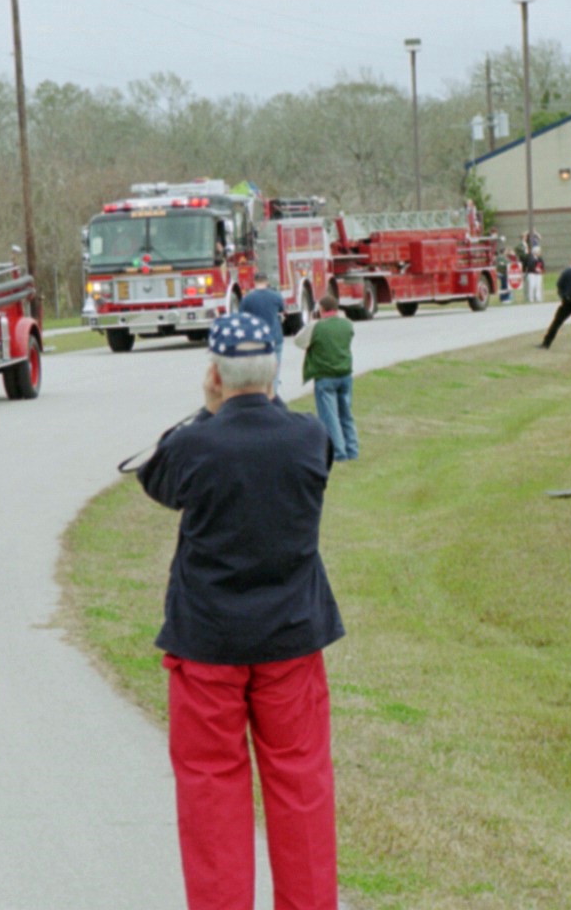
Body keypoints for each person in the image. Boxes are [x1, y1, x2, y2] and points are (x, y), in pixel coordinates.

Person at [137, 311, 343, 910]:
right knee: (300, 789)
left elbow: (156, 478)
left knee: (212, 796)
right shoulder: (309, 437)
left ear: (216, 374)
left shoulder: (195, 444)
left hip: (209, 647)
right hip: (291, 640)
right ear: (276, 370)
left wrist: (209, 410)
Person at [296, 294, 358, 461]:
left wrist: (311, 321)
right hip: (345, 374)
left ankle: (338, 452)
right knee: (346, 414)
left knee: (330, 417)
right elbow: (349, 332)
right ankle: (352, 449)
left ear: (321, 309)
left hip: (325, 376)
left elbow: (299, 341)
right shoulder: (347, 324)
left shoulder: (317, 327)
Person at [239, 273, 286, 369]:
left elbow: (241, 318)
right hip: (275, 338)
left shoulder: (247, 299)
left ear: (254, 282)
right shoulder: (276, 296)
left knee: (258, 372)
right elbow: (282, 310)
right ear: (267, 282)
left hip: (256, 340)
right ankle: (274, 383)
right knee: (274, 372)